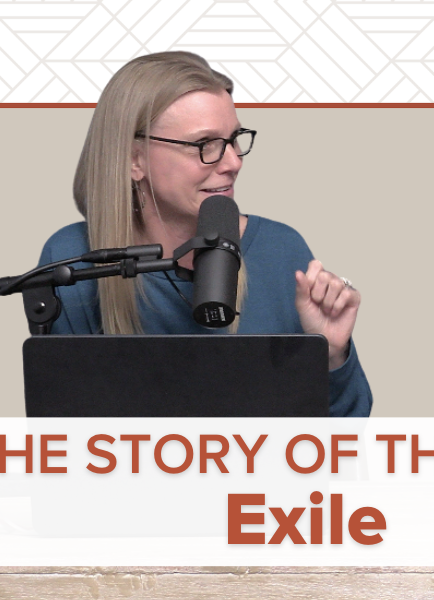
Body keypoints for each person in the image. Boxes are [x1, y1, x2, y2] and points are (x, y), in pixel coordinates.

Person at [38, 51, 371, 417]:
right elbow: (68, 442)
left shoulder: (281, 251)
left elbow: (341, 439)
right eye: (204, 145)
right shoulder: (73, 260)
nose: (233, 163)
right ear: (135, 160)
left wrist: (331, 355)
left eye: (234, 139)